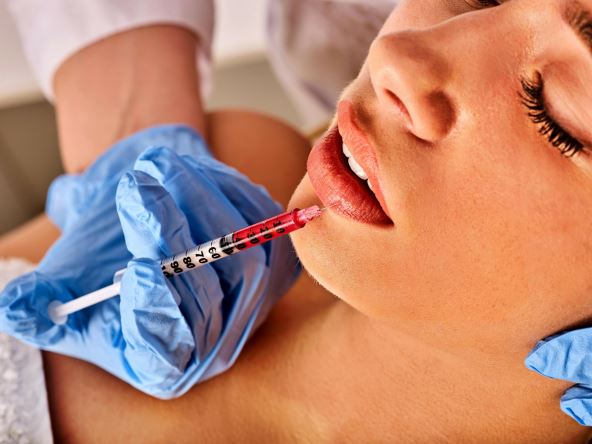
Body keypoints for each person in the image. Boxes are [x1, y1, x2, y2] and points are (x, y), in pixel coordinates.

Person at [1, 0, 592, 442]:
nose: (396, 56)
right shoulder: (238, 165)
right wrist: (123, 150)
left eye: (560, 111)